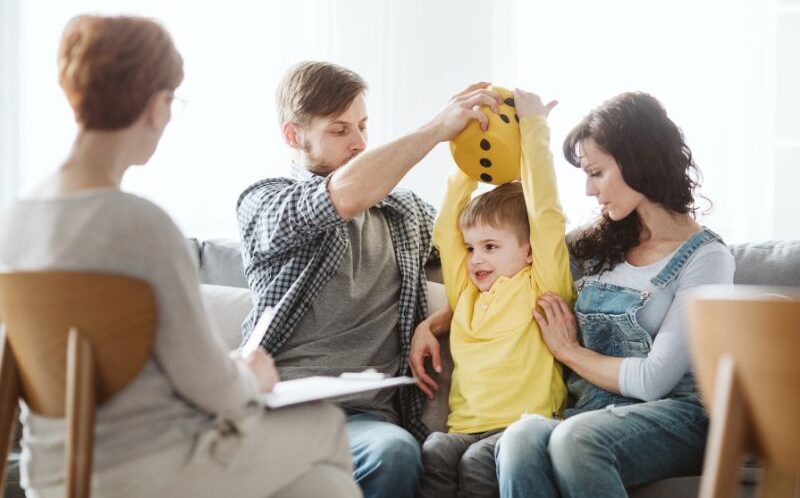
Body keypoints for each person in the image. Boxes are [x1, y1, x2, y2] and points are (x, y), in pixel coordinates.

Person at [0, 15, 360, 498]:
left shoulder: (16, 221)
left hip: (54, 469)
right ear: (155, 105)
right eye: (172, 102)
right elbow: (214, 389)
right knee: (323, 426)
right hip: (151, 465)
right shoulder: (141, 225)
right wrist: (247, 373)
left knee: (322, 485)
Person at [236, 61, 500, 498]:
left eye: (362, 126)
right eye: (339, 131)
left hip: (365, 421)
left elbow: (485, 262)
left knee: (394, 453)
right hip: (277, 409)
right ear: (293, 135)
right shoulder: (264, 202)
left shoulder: (405, 213)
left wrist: (432, 323)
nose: (359, 142)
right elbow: (341, 195)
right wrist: (437, 129)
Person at [492, 92, 736, 497]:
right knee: (519, 439)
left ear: (638, 160)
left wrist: (569, 351)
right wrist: (436, 322)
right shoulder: (593, 246)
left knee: (577, 440)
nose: (589, 190)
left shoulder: (707, 258)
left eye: (597, 172)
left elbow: (653, 380)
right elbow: (516, 270)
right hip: (592, 412)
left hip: (678, 416)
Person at [413, 88, 574, 498]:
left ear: (528, 251)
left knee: (478, 463)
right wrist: (470, 146)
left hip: (524, 425)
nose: (476, 258)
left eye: (490, 247)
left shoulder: (540, 284)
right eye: (472, 248)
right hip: (464, 428)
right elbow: (446, 230)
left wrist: (534, 128)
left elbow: (546, 214)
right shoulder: (467, 293)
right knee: (435, 449)